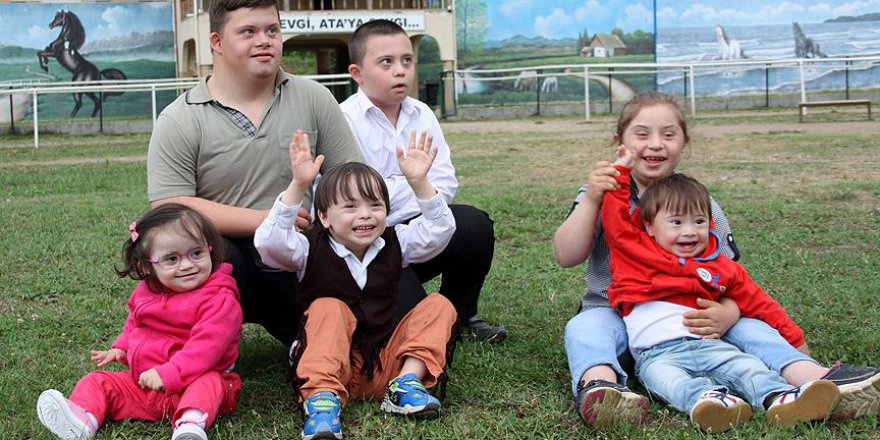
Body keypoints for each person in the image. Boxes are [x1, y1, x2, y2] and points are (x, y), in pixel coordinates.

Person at [554, 92, 880, 429]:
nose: (655, 144)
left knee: (750, 326)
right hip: (616, 314)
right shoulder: (603, 192)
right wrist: (593, 197)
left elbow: (726, 274)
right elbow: (567, 255)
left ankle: (815, 380)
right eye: (642, 134)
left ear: (683, 142)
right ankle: (602, 387)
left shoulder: (700, 203)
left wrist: (730, 311)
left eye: (668, 134)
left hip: (694, 318)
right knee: (583, 327)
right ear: (619, 142)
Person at [147, 0, 365, 347]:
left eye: (272, 31)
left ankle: (306, 336)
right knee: (216, 255)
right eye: (248, 32)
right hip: (228, 256)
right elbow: (169, 206)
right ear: (217, 42)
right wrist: (267, 219)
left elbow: (350, 176)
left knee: (355, 343)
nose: (264, 41)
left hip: (299, 251)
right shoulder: (180, 118)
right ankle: (204, 347)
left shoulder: (313, 97)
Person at [600, 146, 840, 432]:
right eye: (676, 222)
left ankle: (780, 397)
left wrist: (796, 342)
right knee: (669, 382)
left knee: (748, 369)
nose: (690, 231)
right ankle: (710, 402)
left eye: (699, 221)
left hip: (710, 344)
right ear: (649, 226)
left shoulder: (721, 266)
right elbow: (614, 218)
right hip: (656, 355)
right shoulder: (634, 251)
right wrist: (621, 169)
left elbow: (761, 303)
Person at [253, 130, 457, 440]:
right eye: (350, 207)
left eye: (375, 206)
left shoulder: (396, 241)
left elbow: (440, 230)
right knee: (328, 307)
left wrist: (419, 183)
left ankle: (405, 386)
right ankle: (321, 402)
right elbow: (268, 243)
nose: (365, 215)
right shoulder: (309, 248)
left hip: (384, 364)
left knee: (439, 305)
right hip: (333, 366)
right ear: (324, 216)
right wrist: (298, 187)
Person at [339, 19, 506, 342]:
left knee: (473, 225)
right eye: (386, 62)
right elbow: (353, 199)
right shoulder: (343, 120)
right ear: (357, 73)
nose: (400, 71)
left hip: (419, 228)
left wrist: (391, 187)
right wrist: (415, 183)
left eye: (406, 60)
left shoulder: (422, 113)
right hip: (369, 243)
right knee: (411, 327)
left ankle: (462, 315)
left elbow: (445, 183)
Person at [36, 204, 243, 440]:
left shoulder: (220, 298)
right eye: (171, 259)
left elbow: (207, 348)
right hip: (147, 385)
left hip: (196, 385)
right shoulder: (147, 291)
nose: (187, 265)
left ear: (210, 249)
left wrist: (170, 373)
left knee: (210, 381)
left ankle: (190, 426)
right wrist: (122, 346)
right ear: (147, 266)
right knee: (98, 381)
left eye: (196, 253)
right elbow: (135, 321)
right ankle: (82, 419)